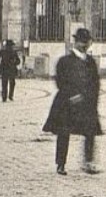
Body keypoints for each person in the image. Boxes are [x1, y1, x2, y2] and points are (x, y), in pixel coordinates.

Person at [43, 28, 102, 175]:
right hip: (67, 103)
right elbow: (60, 81)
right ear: (76, 42)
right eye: (82, 42)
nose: (84, 45)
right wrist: (71, 96)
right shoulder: (65, 61)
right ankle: (60, 164)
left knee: (90, 132)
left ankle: (88, 162)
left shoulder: (90, 62)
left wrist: (93, 98)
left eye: (86, 42)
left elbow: (95, 82)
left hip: (87, 104)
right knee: (64, 133)